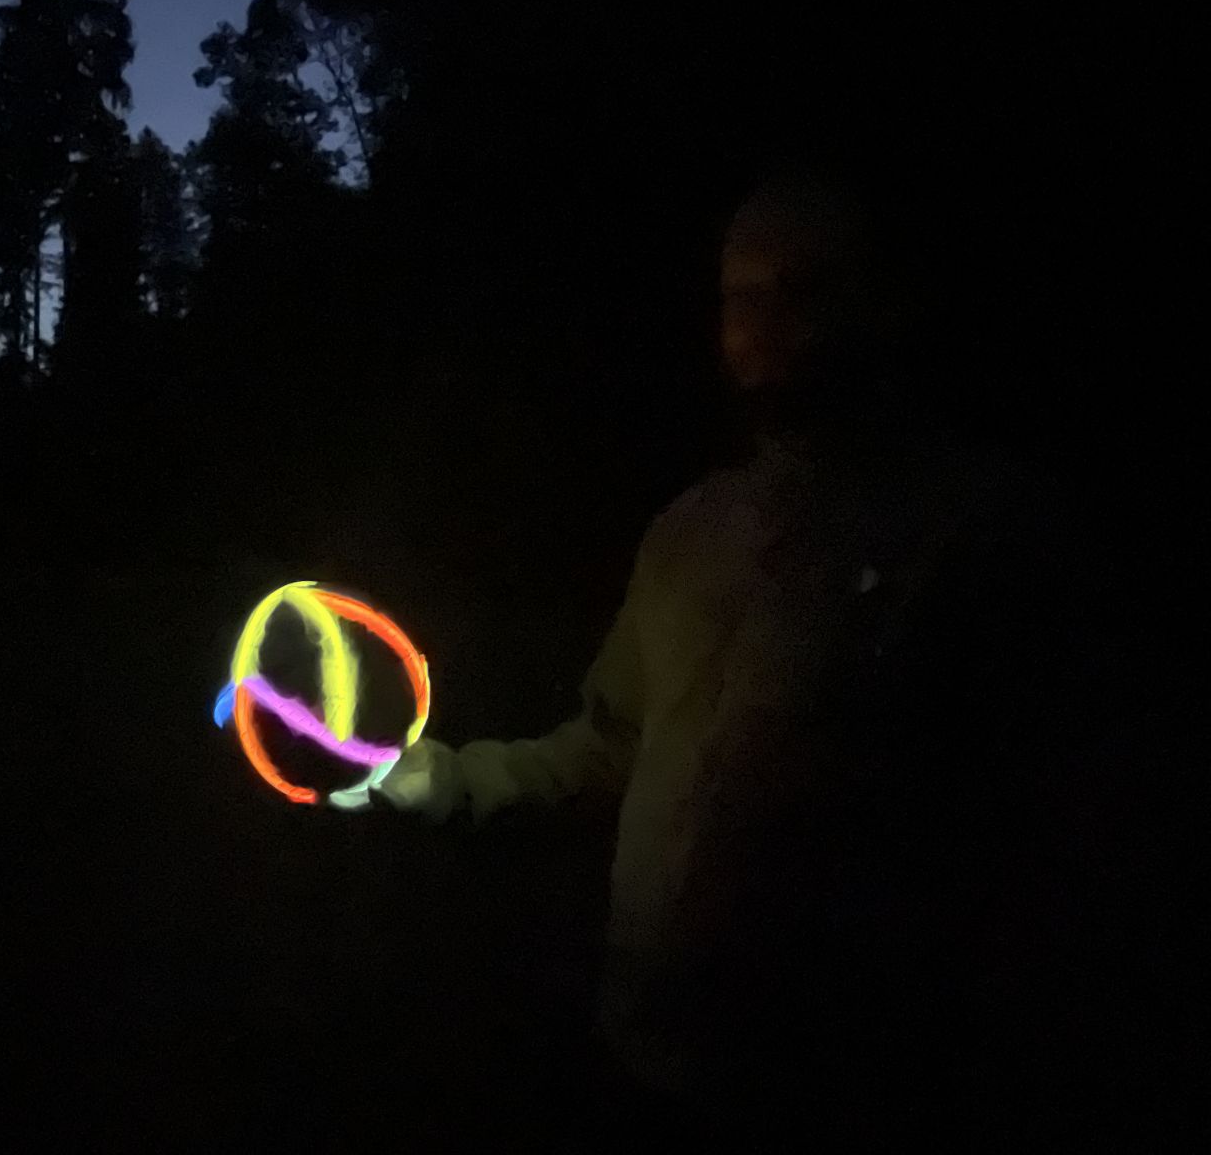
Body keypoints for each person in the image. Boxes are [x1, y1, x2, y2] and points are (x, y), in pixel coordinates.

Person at [364, 165, 1083, 1139]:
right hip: (647, 1052)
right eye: (740, 295)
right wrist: (447, 780)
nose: (764, 323)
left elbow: (1040, 832)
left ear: (885, 304)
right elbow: (611, 744)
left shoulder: (978, 532)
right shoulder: (689, 534)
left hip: (846, 1085)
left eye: (802, 289)